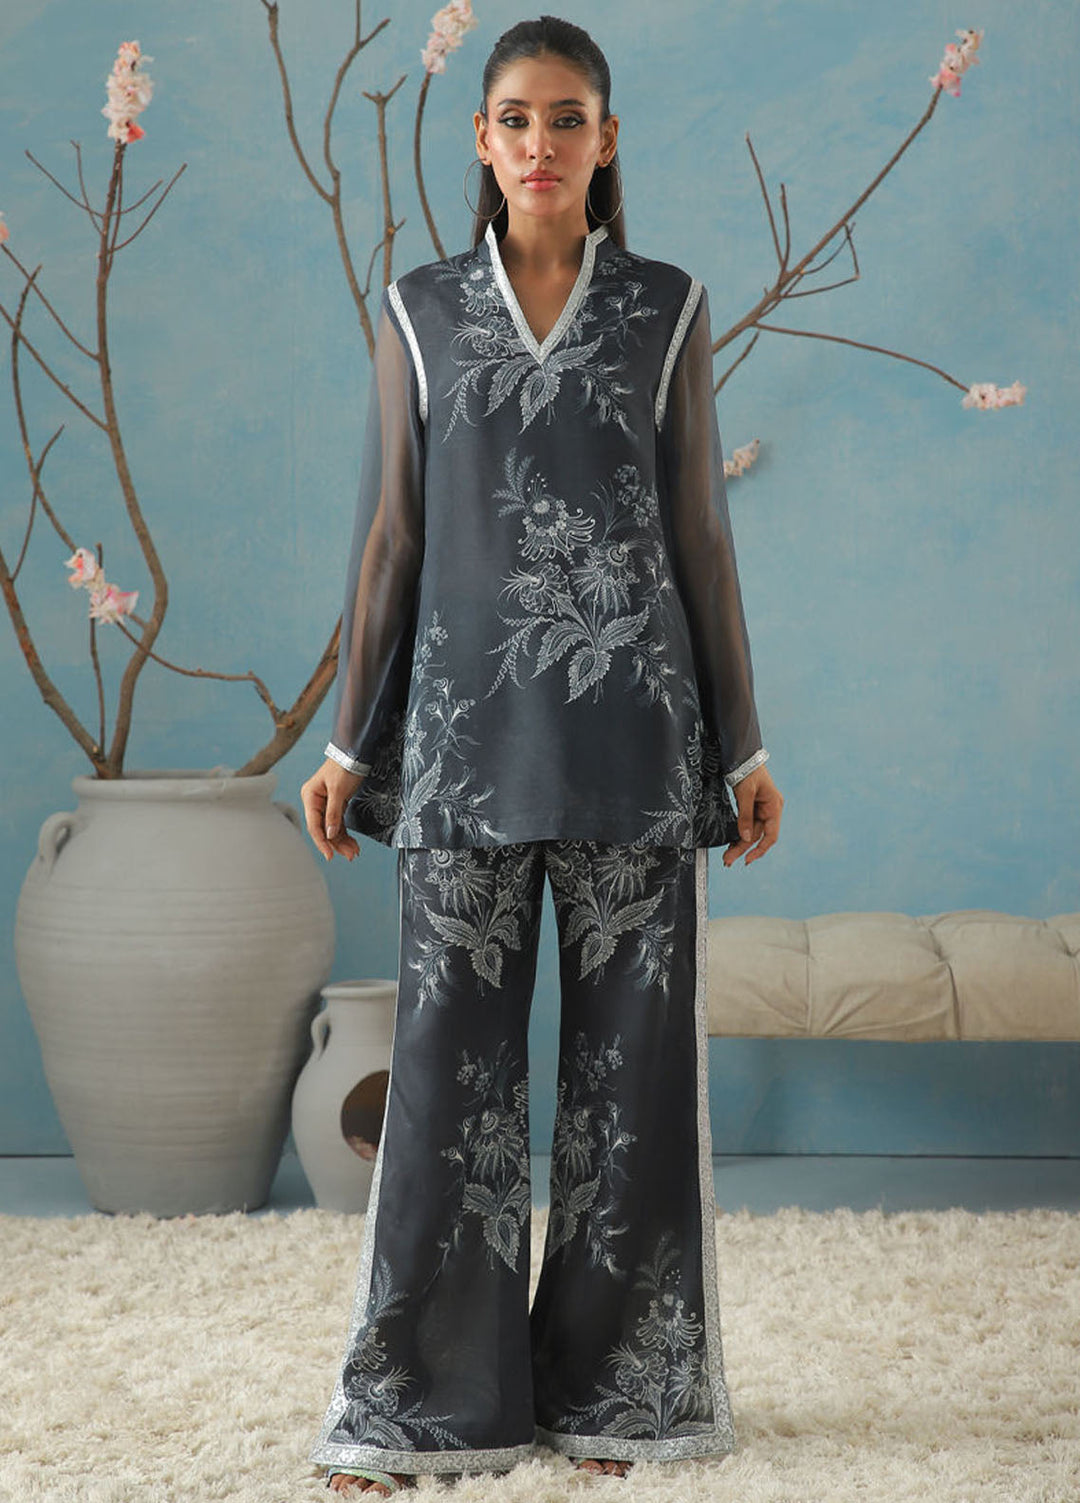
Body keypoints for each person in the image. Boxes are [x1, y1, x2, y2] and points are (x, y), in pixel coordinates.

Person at [300, 14, 784, 1496]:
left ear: (607, 139)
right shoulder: (421, 311)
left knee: (632, 1087)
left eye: (568, 119)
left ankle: (621, 1401)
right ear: (482, 139)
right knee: (448, 1085)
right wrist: (348, 739)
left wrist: (745, 750)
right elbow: (392, 539)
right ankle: (425, 1410)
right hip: (461, 755)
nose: (541, 145)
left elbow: (702, 538)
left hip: (639, 748)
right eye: (516, 119)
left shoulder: (669, 310)